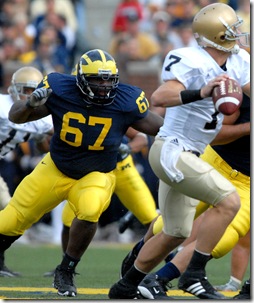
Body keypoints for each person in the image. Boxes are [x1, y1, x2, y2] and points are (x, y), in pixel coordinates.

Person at [108, 3, 250, 300]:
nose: (237, 34)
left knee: (175, 232)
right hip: (172, 150)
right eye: (231, 29)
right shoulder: (191, 59)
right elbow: (160, 96)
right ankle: (194, 274)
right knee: (229, 201)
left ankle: (127, 285)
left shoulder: (239, 61)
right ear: (215, 35)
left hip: (191, 154)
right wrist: (202, 91)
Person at [1, 49, 163, 297]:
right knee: (10, 222)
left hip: (97, 173)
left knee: (90, 209)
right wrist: (30, 103)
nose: (104, 85)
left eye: (108, 79)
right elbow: (17, 116)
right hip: (55, 168)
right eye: (97, 79)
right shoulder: (59, 88)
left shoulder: (127, 100)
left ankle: (66, 269)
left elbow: (156, 126)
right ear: (80, 79)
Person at [119, 93, 251, 299]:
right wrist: (248, 127)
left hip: (247, 184)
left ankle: (159, 279)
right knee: (173, 223)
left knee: (224, 239)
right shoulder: (243, 86)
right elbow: (215, 135)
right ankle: (138, 254)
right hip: (217, 163)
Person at [0, 66, 53, 277]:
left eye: (33, 91)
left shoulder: (42, 119)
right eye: (25, 90)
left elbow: (44, 145)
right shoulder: (3, 105)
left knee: (7, 210)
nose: (28, 96)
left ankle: (0, 264)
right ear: (13, 89)